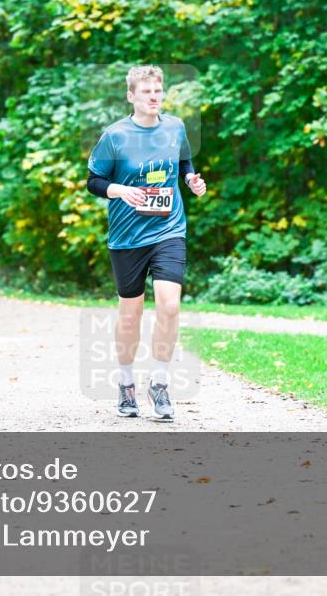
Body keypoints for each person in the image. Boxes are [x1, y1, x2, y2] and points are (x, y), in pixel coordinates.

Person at [86, 66, 207, 422]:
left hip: (169, 229)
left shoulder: (175, 127)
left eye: (158, 91)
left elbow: (185, 160)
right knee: (131, 313)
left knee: (169, 306)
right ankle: (126, 385)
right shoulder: (115, 136)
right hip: (127, 237)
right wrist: (120, 190)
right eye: (147, 92)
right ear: (131, 96)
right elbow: (94, 181)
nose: (154, 97)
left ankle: (159, 383)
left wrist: (190, 179)